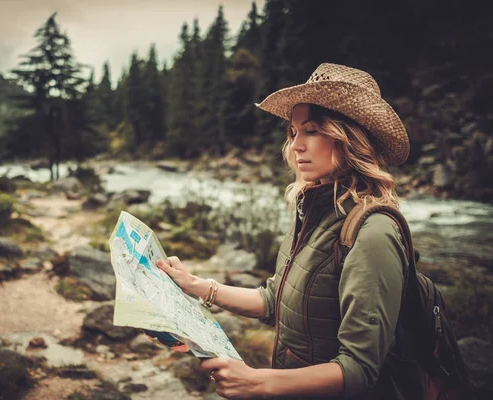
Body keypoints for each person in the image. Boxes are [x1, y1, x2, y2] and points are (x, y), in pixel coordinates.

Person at [157, 63, 415, 399]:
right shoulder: (312, 209)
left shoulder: (374, 231)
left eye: (311, 131)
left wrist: (258, 382)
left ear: (350, 138)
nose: (295, 146)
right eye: (293, 132)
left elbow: (360, 369)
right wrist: (196, 286)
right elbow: (274, 300)